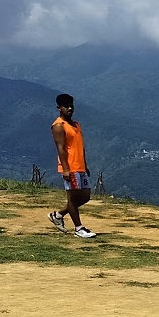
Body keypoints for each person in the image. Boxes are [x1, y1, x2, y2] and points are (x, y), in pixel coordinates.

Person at [48, 93, 97, 239]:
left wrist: (85, 164)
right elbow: (61, 149)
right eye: (66, 106)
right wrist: (66, 169)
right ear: (59, 108)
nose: (70, 108)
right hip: (70, 167)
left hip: (80, 166)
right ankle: (78, 228)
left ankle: (58, 215)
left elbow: (80, 147)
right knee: (73, 198)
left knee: (85, 196)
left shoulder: (76, 125)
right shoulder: (58, 126)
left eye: (71, 106)